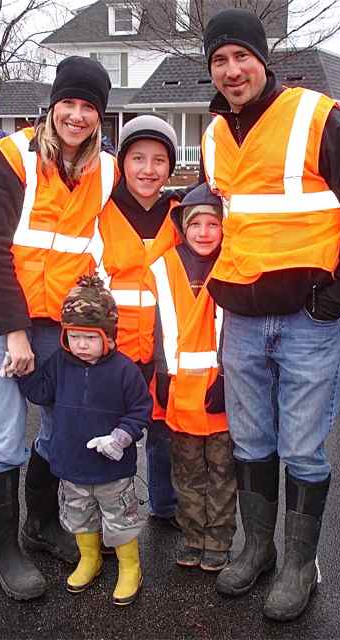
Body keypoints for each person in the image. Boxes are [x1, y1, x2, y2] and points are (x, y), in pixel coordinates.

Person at [199, 8, 340, 621]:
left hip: (309, 322)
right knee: (252, 442)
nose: (232, 71)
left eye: (241, 57)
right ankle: (258, 548)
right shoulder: (211, 136)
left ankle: (297, 566)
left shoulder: (314, 116)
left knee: (304, 451)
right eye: (219, 60)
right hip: (243, 322)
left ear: (264, 58)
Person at [0, 55, 117, 601]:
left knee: (64, 424)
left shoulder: (104, 167)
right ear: (52, 105)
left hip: (59, 320)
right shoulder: (11, 158)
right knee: (8, 431)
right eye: (69, 104)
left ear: (99, 116)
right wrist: (13, 331)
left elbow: (141, 215)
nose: (76, 116)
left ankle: (41, 524)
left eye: (88, 107)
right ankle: (2, 551)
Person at [18, 275, 152, 605]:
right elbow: (40, 392)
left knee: (120, 520)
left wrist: (120, 439)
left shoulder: (124, 370)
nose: (80, 344)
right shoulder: (61, 364)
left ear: (108, 336)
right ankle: (89, 559)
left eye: (89, 338)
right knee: (80, 518)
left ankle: (129, 566)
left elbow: (140, 410)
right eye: (73, 336)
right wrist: (24, 371)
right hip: (72, 467)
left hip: (113, 471)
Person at [99, 115, 181, 527]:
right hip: (115, 354)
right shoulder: (101, 212)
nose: (148, 170)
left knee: (164, 435)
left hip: (165, 351)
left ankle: (166, 509)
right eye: (138, 159)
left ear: (170, 167)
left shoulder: (182, 215)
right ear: (122, 163)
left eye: (159, 161)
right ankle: (113, 520)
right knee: (115, 436)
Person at [150, 182, 237, 572]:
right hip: (182, 394)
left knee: (222, 472)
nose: (203, 232)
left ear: (224, 228)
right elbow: (160, 327)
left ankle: (218, 540)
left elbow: (234, 329)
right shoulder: (165, 266)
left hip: (221, 393)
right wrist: (164, 378)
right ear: (182, 227)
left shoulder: (234, 265)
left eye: (212, 224)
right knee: (187, 473)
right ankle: (192, 538)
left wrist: (227, 380)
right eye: (195, 223)